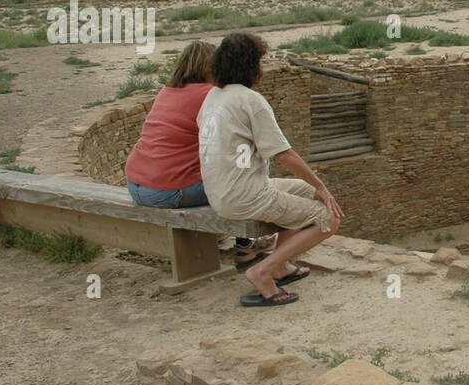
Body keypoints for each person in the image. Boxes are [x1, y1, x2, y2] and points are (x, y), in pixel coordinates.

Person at [198, 32, 344, 307]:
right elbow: (284, 155)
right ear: (252, 65)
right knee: (328, 218)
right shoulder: (250, 100)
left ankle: (281, 265)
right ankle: (263, 271)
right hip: (245, 195)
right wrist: (323, 186)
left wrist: (316, 187)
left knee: (307, 191)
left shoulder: (213, 97)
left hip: (222, 192)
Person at [123, 41, 274, 266]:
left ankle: (232, 234)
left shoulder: (167, 91)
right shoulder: (209, 95)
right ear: (208, 67)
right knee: (250, 165)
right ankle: (247, 243)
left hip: (136, 185)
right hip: (167, 190)